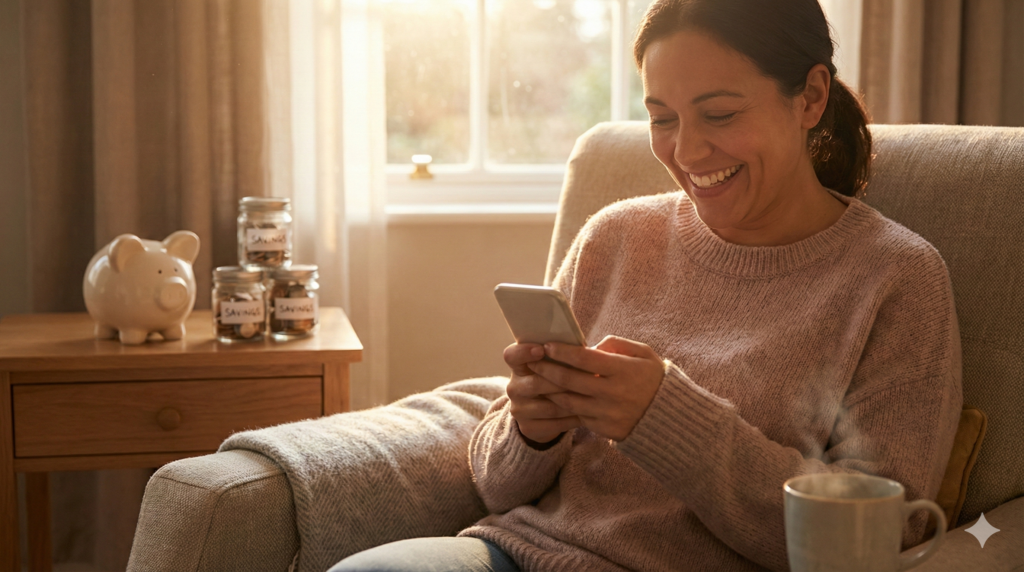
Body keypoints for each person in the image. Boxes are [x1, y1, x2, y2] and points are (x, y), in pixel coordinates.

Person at [331, 0, 962, 570]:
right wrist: (530, 427)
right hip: (512, 554)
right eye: (662, 119)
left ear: (811, 97)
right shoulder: (616, 237)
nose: (687, 152)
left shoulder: (896, 279)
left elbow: (884, 534)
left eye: (719, 113)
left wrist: (664, 417)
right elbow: (497, 485)